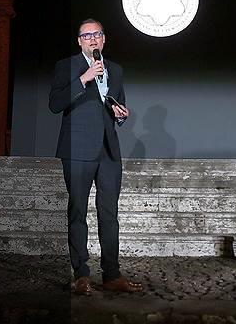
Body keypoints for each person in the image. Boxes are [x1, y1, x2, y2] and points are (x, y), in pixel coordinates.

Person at [48, 18, 143, 296]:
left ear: (104, 39)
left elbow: (117, 104)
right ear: (79, 41)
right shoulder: (66, 66)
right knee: (78, 210)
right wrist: (83, 78)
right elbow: (55, 104)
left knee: (109, 213)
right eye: (87, 35)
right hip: (77, 148)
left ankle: (112, 275)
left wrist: (121, 114)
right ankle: (81, 275)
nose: (92, 39)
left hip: (109, 150)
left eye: (97, 34)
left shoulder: (116, 70)